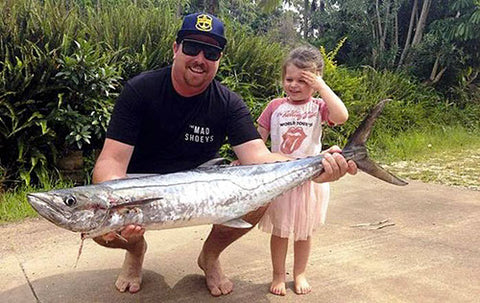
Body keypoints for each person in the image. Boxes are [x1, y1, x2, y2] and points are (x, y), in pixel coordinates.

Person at [92, 12, 357, 296]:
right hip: (143, 181)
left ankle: (210, 255)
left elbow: (258, 158)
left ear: (219, 59)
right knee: (96, 221)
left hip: (204, 181)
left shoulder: (229, 103)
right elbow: (111, 161)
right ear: (175, 48)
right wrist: (114, 205)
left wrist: (315, 168)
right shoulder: (140, 90)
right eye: (192, 47)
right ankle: (135, 250)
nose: (200, 58)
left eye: (212, 52)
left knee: (259, 197)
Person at [255, 46, 348, 296]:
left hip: (310, 179)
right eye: (289, 79)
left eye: (302, 80)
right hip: (280, 180)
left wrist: (322, 87)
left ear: (315, 81)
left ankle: (299, 273)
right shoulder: (274, 106)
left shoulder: (318, 106)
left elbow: (341, 116)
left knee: (304, 233)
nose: (294, 85)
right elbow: (256, 140)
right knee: (280, 231)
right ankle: (277, 274)